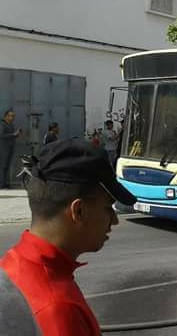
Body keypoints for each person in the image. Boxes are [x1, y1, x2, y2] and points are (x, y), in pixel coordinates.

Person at [0, 138, 136, 335]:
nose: (114, 220)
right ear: (78, 211)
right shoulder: (58, 309)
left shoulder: (12, 262)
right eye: (108, 208)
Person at [0, 109, 21, 189]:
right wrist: (13, 134)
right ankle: (1, 185)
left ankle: (4, 183)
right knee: (3, 166)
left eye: (13, 116)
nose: (12, 117)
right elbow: (1, 135)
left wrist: (16, 134)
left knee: (7, 167)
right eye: (11, 116)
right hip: (3, 149)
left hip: (9, 149)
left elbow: (11, 136)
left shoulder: (11, 125)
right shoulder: (2, 124)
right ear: (6, 116)